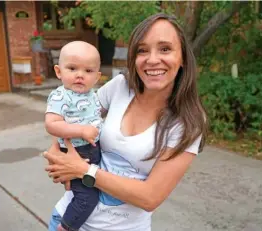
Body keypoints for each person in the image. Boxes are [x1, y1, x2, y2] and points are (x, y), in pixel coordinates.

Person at [43, 13, 208, 231]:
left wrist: (83, 170)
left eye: (165, 49)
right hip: (66, 220)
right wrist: (58, 155)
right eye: (142, 50)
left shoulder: (187, 123)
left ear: (183, 57)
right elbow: (71, 117)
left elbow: (150, 197)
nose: (152, 59)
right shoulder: (120, 86)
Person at [45, 41, 103, 231]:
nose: (80, 75)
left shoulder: (92, 94)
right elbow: (52, 124)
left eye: (88, 71)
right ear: (58, 71)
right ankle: (66, 226)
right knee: (87, 197)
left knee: (96, 187)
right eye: (72, 68)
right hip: (76, 152)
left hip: (94, 149)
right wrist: (81, 130)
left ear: (97, 77)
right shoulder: (60, 96)